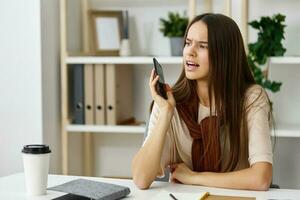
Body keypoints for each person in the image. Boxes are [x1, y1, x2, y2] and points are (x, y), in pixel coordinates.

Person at [132, 13, 273, 191]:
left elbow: (261, 179)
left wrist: (194, 177)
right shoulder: (170, 103)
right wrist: (166, 113)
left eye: (203, 46)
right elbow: (141, 179)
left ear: (225, 54)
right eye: (188, 43)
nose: (190, 52)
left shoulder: (251, 98)